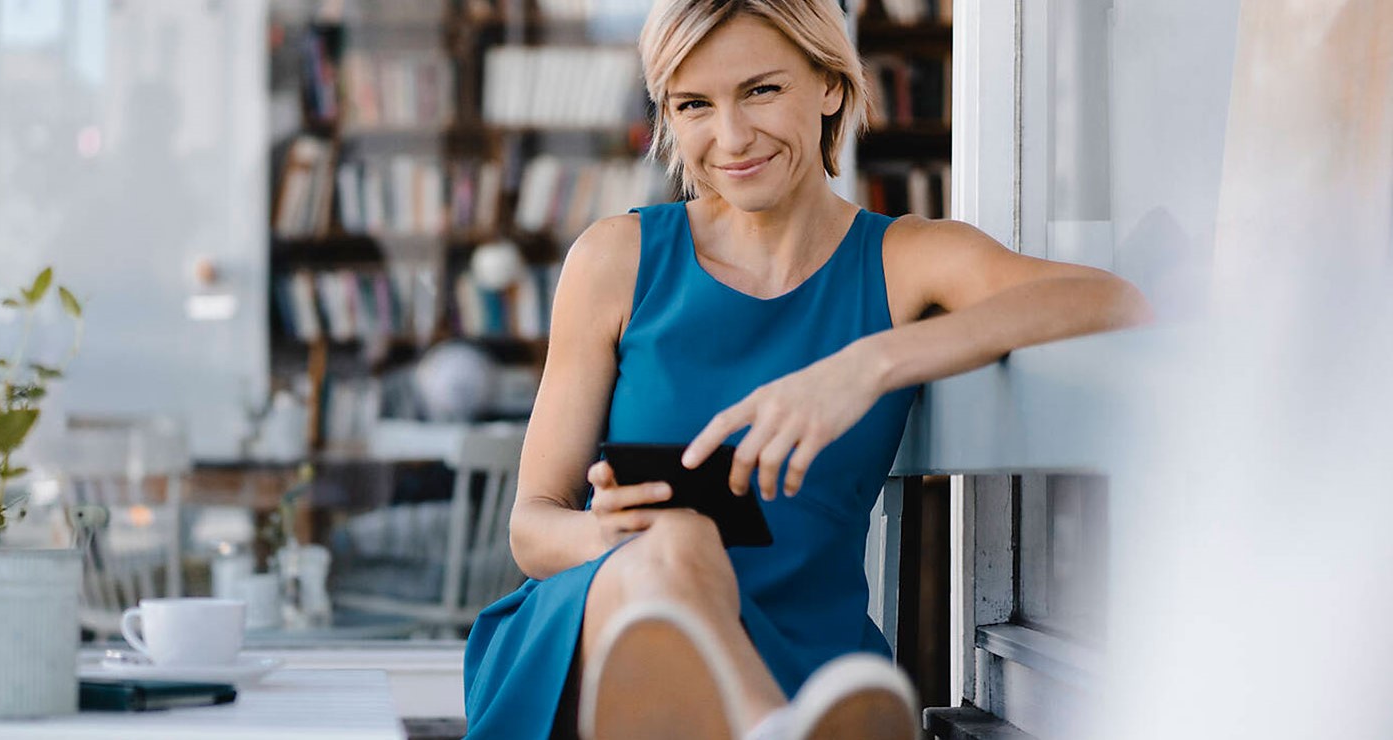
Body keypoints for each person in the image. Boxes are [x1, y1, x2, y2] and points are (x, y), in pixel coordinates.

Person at [461, 0, 1153, 738]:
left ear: (828, 84)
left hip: (810, 666)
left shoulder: (900, 260)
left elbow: (1110, 298)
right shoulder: (615, 260)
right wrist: (620, 539)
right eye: (694, 104)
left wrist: (870, 362)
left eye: (761, 90)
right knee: (678, 540)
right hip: (602, 641)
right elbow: (532, 529)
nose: (731, 137)